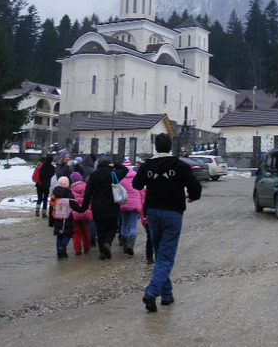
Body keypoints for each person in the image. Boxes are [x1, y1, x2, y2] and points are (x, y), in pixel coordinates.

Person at [133, 133, 201, 312]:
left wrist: (151, 178)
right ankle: (151, 292)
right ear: (170, 146)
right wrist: (193, 196)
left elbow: (137, 185)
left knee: (160, 254)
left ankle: (167, 294)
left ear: (156, 147)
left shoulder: (148, 166)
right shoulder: (179, 165)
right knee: (165, 257)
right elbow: (195, 186)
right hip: (173, 212)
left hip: (153, 212)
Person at [74, 159, 129, 260]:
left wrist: (84, 207)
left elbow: (88, 193)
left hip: (97, 206)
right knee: (112, 227)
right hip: (112, 205)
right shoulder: (114, 174)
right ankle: (108, 243)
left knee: (100, 229)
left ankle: (102, 252)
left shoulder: (93, 175)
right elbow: (125, 169)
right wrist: (115, 164)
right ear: (109, 165)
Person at [48, 176, 77, 258]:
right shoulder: (69, 193)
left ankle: (59, 254)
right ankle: (63, 247)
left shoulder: (54, 194)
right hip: (67, 217)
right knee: (68, 234)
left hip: (56, 217)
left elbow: (51, 207)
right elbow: (74, 206)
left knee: (59, 236)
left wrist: (51, 221)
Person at [119, 163, 142, 256]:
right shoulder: (136, 177)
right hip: (135, 204)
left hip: (123, 203)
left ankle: (124, 246)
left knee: (124, 224)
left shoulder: (120, 177)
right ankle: (130, 245)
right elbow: (141, 192)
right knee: (133, 226)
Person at [69, 171, 91, 255]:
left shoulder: (71, 190)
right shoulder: (87, 187)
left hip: (75, 214)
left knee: (76, 232)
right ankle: (86, 247)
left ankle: (78, 249)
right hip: (86, 212)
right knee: (85, 230)